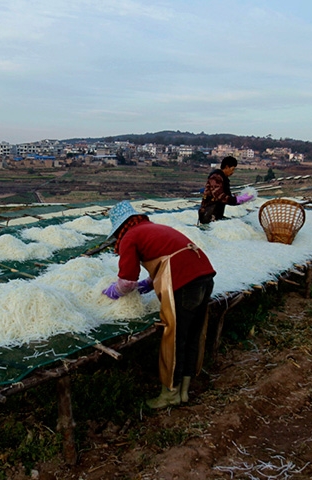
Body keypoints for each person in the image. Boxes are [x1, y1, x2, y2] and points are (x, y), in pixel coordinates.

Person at [102, 201, 216, 409]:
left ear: (119, 227)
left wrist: (113, 292)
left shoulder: (130, 236)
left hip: (185, 282)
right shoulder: (154, 228)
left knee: (174, 338)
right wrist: (149, 282)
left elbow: (126, 281)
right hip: (204, 276)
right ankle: (183, 391)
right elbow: (167, 257)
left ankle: (169, 394)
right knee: (191, 335)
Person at [198, 156, 254, 224]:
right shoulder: (216, 177)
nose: (233, 172)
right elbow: (219, 196)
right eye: (232, 169)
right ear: (227, 167)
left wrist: (237, 198)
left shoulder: (223, 178)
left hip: (216, 214)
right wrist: (237, 199)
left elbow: (226, 196)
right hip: (209, 214)